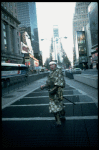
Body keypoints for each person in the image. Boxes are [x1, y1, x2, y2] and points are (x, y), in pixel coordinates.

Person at [40, 61, 65, 126]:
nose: (51, 66)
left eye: (53, 65)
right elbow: (49, 83)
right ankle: (59, 118)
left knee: (57, 105)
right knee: (56, 106)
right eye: (50, 65)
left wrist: (52, 90)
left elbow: (59, 84)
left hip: (57, 93)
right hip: (52, 93)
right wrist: (44, 86)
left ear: (56, 65)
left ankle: (59, 119)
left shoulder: (59, 72)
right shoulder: (51, 73)